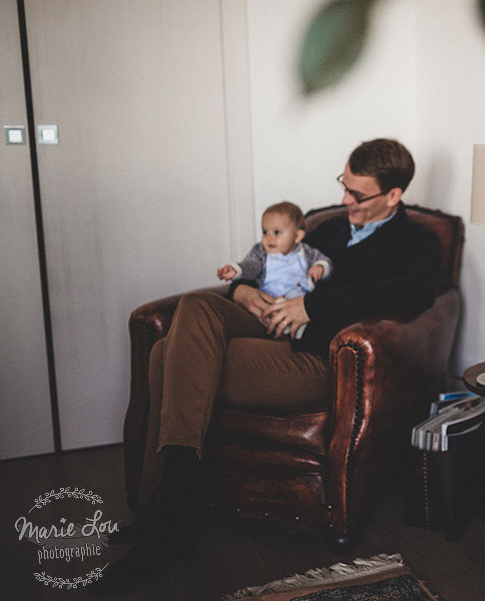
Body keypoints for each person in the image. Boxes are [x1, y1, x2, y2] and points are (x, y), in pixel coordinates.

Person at [97, 138, 443, 592]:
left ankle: (164, 513)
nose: (344, 200)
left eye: (357, 194)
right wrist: (241, 290)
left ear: (393, 195)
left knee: (168, 356)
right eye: (344, 185)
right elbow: (267, 265)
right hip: (269, 325)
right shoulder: (329, 229)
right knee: (198, 306)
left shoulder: (416, 241)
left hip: (315, 358)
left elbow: (413, 295)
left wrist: (313, 308)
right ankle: (170, 510)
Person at [217, 201, 332, 338]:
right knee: (270, 309)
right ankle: (282, 329)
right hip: (270, 299)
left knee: (304, 317)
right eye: (265, 232)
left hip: (298, 300)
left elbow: (325, 262)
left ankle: (299, 331)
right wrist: (238, 269)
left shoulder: (306, 252)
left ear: (297, 236)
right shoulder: (261, 252)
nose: (269, 238)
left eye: (276, 232)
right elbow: (252, 265)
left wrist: (320, 267)